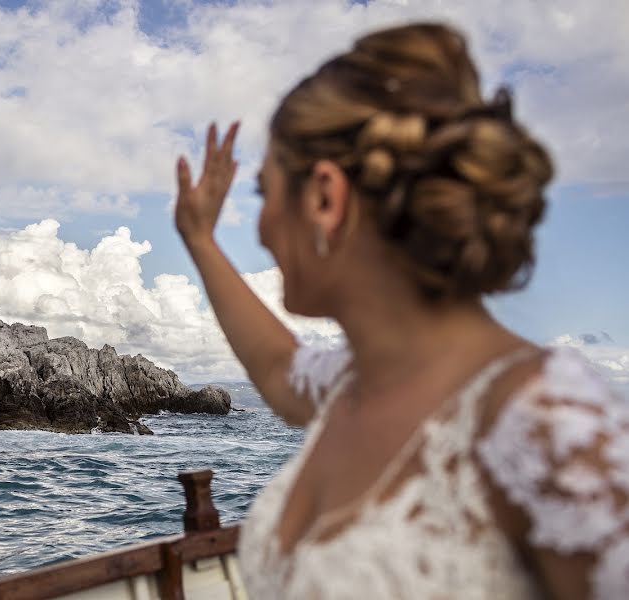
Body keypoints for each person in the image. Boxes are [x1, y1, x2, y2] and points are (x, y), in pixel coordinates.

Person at [174, 23, 627, 600]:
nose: (259, 228)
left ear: (324, 199)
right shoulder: (350, 384)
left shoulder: (550, 424)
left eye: (263, 195)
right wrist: (199, 239)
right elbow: (274, 364)